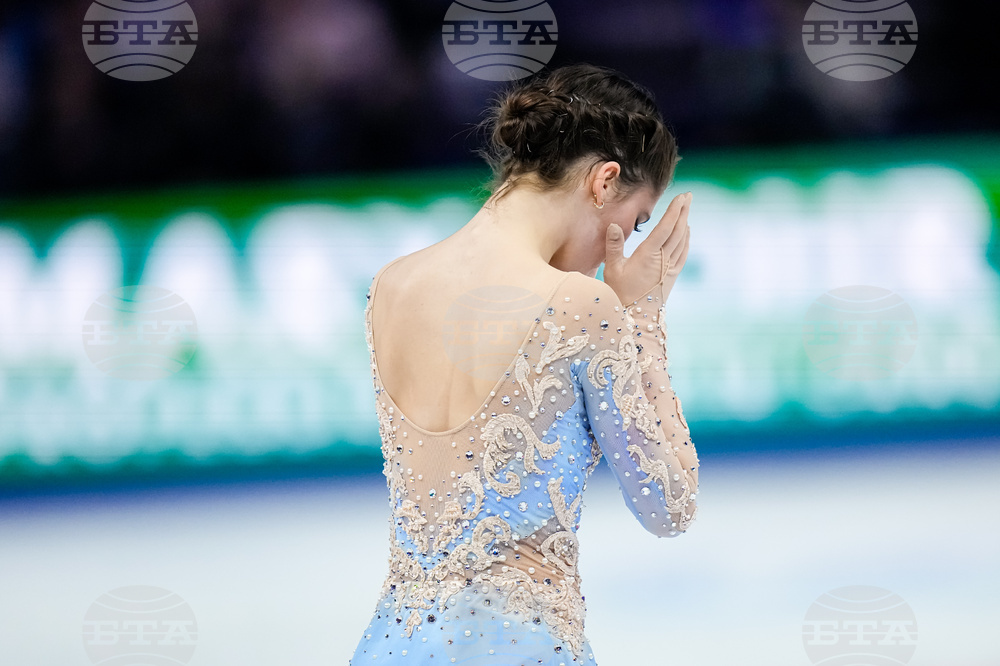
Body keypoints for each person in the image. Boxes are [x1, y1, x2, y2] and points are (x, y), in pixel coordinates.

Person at [350, 63, 699, 665]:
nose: (623, 246)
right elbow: (670, 505)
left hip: (389, 646)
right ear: (605, 181)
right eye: (635, 221)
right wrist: (641, 318)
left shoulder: (391, 286)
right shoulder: (580, 307)